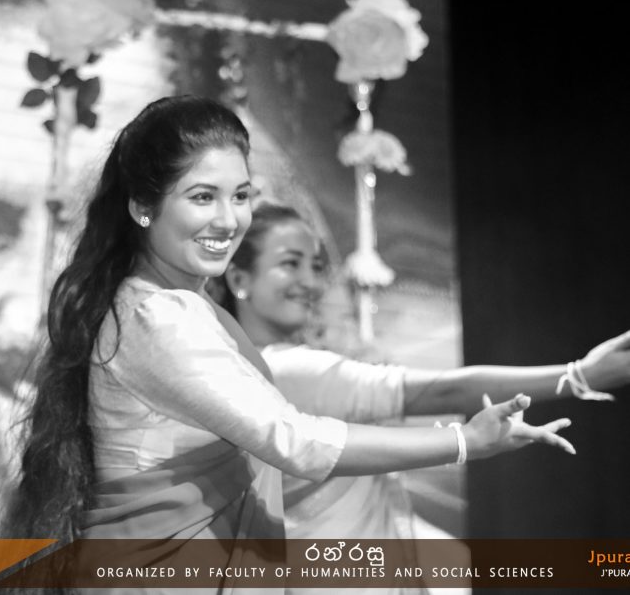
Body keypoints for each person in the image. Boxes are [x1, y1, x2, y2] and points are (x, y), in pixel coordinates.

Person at [2, 97, 577, 593]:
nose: (228, 219)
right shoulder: (157, 316)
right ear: (143, 207)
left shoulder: (173, 308)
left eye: (241, 196)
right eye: (202, 197)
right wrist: (463, 441)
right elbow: (293, 440)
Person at [215, 202, 630, 593]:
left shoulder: (235, 373)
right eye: (290, 263)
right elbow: (447, 390)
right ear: (239, 279)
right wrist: (579, 375)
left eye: (316, 265)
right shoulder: (291, 370)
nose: (310, 281)